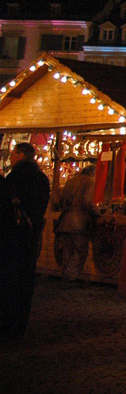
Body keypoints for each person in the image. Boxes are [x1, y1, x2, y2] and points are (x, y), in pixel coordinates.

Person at [0, 142, 51, 341]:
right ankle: (20, 325)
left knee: (8, 280)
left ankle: (7, 325)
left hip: (11, 237)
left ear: (20, 155)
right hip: (30, 236)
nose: (11, 158)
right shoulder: (42, 179)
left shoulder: (12, 179)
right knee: (24, 281)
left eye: (13, 154)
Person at [55, 162, 98, 285]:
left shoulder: (71, 181)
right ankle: (71, 277)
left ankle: (64, 275)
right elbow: (87, 201)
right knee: (79, 250)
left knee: (67, 250)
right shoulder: (90, 181)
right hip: (79, 222)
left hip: (65, 221)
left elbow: (61, 200)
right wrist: (97, 212)